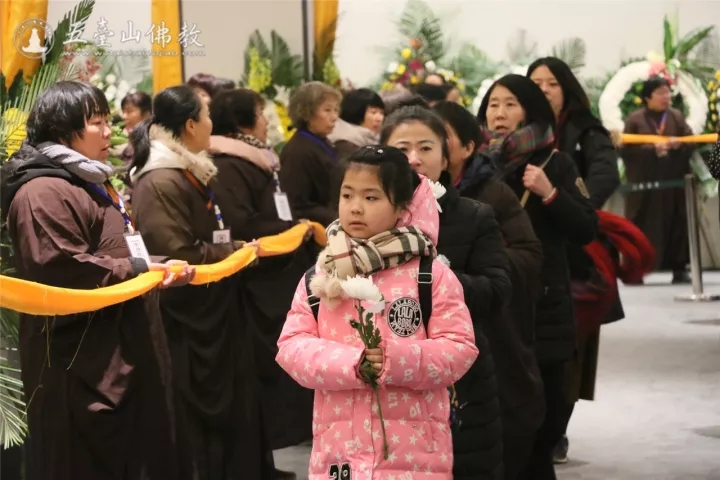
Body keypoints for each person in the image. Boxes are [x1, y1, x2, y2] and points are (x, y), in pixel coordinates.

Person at [0, 80, 195, 480]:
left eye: (109, 121)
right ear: (62, 127)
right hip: (80, 368)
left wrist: (158, 266)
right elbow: (60, 269)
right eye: (97, 123)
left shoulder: (90, 180)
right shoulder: (42, 190)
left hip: (121, 351)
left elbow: (115, 253)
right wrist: (140, 270)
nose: (110, 132)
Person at [276, 146, 479, 478]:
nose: (355, 207)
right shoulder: (322, 275)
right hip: (340, 455)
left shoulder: (429, 275)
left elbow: (460, 349)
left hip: (414, 460)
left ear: (401, 207)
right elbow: (291, 347)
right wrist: (352, 363)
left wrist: (394, 360)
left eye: (371, 198)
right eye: (347, 195)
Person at [129, 85, 272, 479]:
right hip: (187, 320)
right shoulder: (161, 180)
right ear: (191, 125)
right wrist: (233, 251)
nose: (212, 124)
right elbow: (177, 252)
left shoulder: (187, 170)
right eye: (206, 116)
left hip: (214, 308)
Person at [477, 74, 598, 479]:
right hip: (493, 304)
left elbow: (586, 227)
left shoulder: (555, 163)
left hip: (544, 304)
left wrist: (550, 193)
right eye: (493, 104)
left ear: (530, 110)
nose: (499, 113)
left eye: (510, 104)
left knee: (541, 413)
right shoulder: (476, 166)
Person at [381, 105, 513, 480]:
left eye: (426, 148)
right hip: (386, 374)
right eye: (402, 148)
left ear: (445, 157)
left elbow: (497, 290)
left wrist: (433, 278)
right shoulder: (366, 219)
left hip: (459, 378)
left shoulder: (474, 216)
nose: (414, 158)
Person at [433, 100, 546, 479]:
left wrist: (466, 268)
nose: (416, 155)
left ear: (467, 147)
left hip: (489, 331)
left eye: (434, 140)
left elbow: (528, 255)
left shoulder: (490, 196)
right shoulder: (390, 202)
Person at [209, 88, 317, 480]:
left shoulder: (260, 159)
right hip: (256, 283)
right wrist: (289, 229)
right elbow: (240, 222)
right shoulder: (228, 164)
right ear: (241, 121)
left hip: (279, 276)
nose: (267, 119)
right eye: (260, 112)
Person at [528, 57, 623, 463]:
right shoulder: (517, 136)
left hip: (577, 252)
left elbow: (605, 174)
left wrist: (572, 205)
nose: (544, 89)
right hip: (530, 252)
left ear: (566, 88)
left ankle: (557, 430)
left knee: (570, 351)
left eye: (551, 82)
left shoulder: (586, 130)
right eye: (536, 82)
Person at [621, 76, 696, 284]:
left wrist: (677, 145)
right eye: (660, 93)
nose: (666, 97)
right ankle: (636, 270)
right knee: (640, 226)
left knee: (677, 223)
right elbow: (625, 151)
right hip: (645, 188)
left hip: (673, 185)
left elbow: (691, 142)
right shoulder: (635, 119)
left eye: (668, 92)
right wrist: (650, 149)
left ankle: (679, 268)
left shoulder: (676, 117)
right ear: (647, 97)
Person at [279, 81, 342, 226]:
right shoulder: (297, 152)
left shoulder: (321, 141)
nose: (334, 117)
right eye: (327, 110)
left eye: (336, 110)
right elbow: (298, 205)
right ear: (306, 112)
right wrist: (338, 219)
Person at [328, 88, 384, 159]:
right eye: (373, 112)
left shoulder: (374, 138)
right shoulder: (346, 144)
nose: (379, 118)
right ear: (357, 112)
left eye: (381, 113)